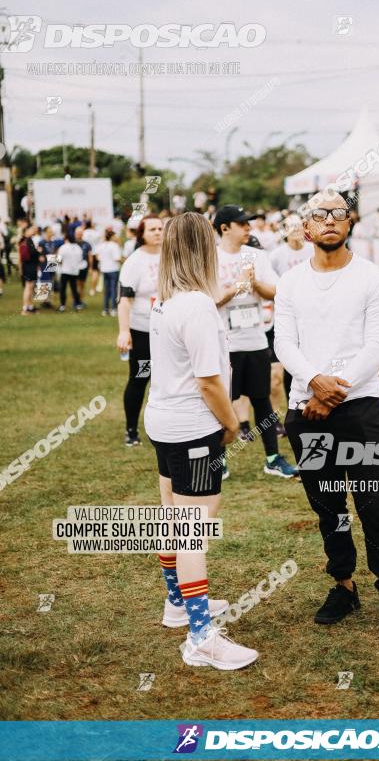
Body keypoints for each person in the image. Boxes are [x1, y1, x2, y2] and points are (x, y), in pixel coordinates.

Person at [275, 191, 379, 643]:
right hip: (306, 409)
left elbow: (378, 347)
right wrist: (314, 380)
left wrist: (331, 392)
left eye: (337, 212)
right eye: (319, 214)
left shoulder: (373, 279)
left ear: (349, 222)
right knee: (328, 506)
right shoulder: (291, 282)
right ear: (306, 227)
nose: (329, 220)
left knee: (375, 505)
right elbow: (284, 344)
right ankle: (344, 586)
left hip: (360, 408)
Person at [144, 212, 258, 670]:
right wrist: (232, 426)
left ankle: (178, 604)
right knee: (194, 533)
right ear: (202, 249)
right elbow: (210, 382)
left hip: (166, 422)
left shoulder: (168, 300)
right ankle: (200, 636)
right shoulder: (195, 306)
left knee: (175, 520)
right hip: (191, 427)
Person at [214, 205, 297, 478]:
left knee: (263, 402)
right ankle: (219, 461)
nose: (248, 227)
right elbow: (211, 298)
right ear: (224, 228)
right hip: (224, 343)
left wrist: (255, 285)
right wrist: (238, 286)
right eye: (242, 223)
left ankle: (273, 458)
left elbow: (276, 292)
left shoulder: (257, 256)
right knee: (224, 401)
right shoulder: (210, 257)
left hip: (256, 340)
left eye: (248, 222)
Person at [117, 215, 163, 447]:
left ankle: (163, 429)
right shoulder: (135, 261)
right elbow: (124, 301)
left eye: (160, 228)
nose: (157, 232)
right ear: (142, 234)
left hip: (169, 332)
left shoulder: (171, 256)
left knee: (167, 380)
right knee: (141, 377)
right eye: (152, 229)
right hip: (143, 331)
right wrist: (124, 332)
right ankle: (131, 429)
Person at [269, 214, 314, 432]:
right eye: (291, 226)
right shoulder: (277, 256)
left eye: (299, 226)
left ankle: (302, 409)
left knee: (305, 365)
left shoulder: (312, 251)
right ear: (284, 230)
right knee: (280, 372)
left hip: (311, 318)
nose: (295, 230)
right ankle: (278, 418)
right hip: (285, 318)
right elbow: (270, 285)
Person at [95, 229, 121, 316]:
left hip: (104, 270)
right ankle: (113, 309)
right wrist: (125, 261)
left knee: (106, 290)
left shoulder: (102, 245)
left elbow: (97, 257)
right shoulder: (114, 245)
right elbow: (117, 258)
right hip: (113, 269)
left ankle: (105, 309)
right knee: (114, 290)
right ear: (112, 236)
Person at [18, 225, 43, 315]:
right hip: (29, 266)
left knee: (31, 286)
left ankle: (29, 306)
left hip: (29, 266)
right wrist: (38, 251)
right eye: (31, 229)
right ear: (26, 231)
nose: (34, 230)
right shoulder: (27, 241)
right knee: (28, 286)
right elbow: (32, 254)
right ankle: (25, 308)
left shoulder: (28, 240)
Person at [57, 232, 83, 312]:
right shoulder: (78, 248)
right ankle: (78, 304)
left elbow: (58, 260)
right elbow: (80, 260)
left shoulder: (63, 247)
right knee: (74, 288)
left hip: (65, 270)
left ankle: (62, 305)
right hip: (74, 271)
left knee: (63, 289)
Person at [74, 226, 92, 306]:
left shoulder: (87, 244)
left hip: (84, 267)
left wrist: (90, 267)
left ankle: (80, 300)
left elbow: (90, 256)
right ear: (75, 234)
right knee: (76, 284)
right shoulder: (72, 243)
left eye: (80, 233)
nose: (79, 235)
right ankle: (76, 301)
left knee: (82, 284)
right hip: (75, 267)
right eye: (77, 233)